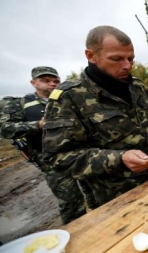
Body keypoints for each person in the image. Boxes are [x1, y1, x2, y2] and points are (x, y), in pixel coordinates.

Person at [42, 26, 148, 206]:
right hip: (122, 197)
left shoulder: (137, 86)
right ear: (91, 56)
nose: (127, 65)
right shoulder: (68, 97)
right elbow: (57, 158)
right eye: (116, 59)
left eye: (130, 58)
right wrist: (119, 158)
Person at [0, 67, 91, 224]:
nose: (52, 84)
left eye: (56, 81)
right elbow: (6, 129)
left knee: (94, 193)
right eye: (46, 81)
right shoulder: (20, 103)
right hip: (51, 160)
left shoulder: (68, 99)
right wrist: (38, 125)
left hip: (80, 153)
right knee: (71, 203)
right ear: (33, 82)